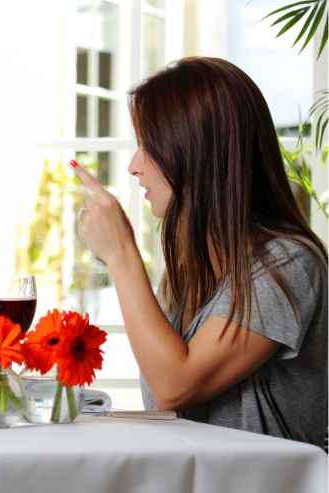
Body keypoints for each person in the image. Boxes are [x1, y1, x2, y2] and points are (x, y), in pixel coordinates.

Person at [70, 57, 327, 447]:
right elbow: (164, 404)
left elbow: (174, 385)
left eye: (148, 146)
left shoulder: (289, 263)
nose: (134, 166)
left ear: (196, 152)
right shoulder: (189, 268)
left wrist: (121, 254)